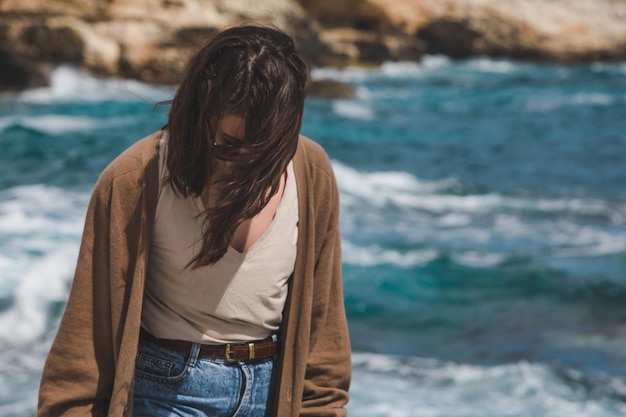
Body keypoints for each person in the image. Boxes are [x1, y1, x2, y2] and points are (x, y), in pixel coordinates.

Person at [37, 24, 351, 417]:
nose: (247, 167)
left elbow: (324, 334)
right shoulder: (134, 179)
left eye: (265, 152)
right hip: (165, 392)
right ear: (199, 117)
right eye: (230, 147)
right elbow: (84, 347)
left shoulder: (311, 173)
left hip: (272, 394)